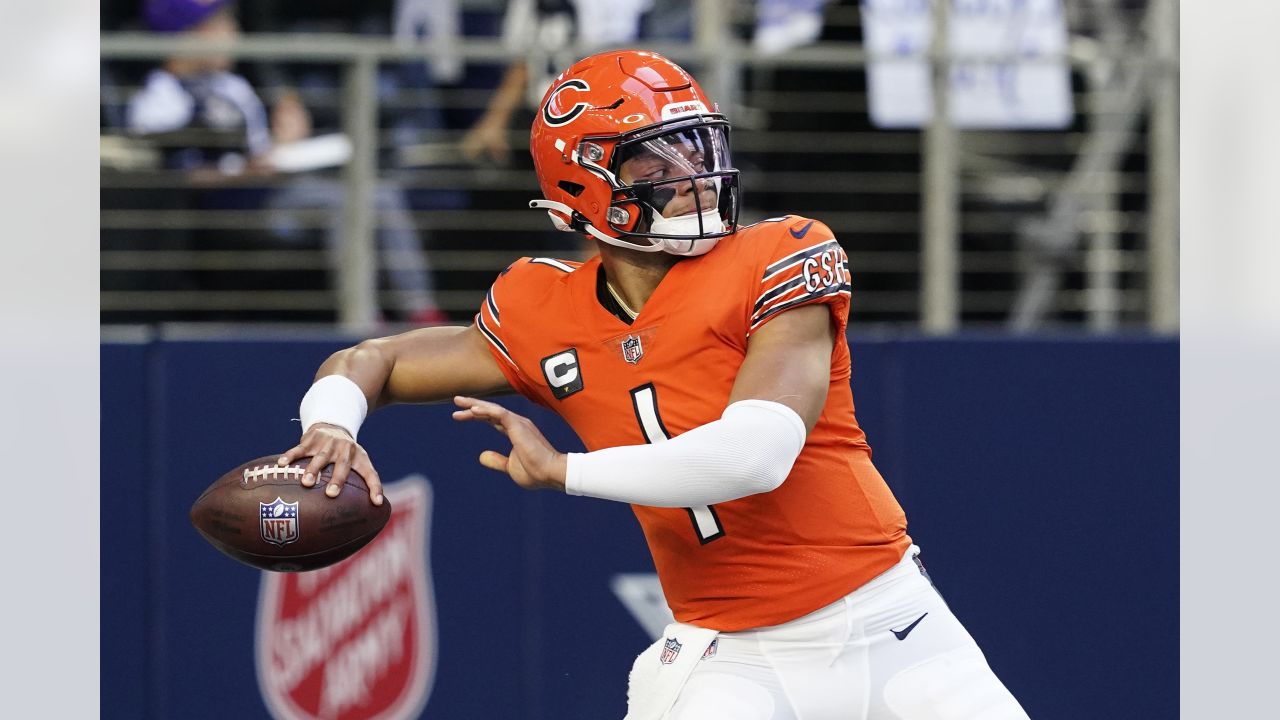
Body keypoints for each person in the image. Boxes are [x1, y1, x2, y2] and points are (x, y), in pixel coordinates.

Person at [278, 50, 1029, 719]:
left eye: (695, 147)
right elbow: (369, 360)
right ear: (581, 189)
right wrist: (332, 425)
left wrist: (564, 471)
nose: (691, 178)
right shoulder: (542, 308)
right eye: (654, 164)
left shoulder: (781, 254)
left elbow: (757, 454)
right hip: (728, 657)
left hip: (889, 623)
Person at [125, 0, 446, 324]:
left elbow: (261, 152)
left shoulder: (233, 87)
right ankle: (364, 317)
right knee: (345, 205)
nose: (233, 34)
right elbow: (173, 179)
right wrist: (243, 173)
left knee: (379, 192)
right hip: (225, 213)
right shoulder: (158, 97)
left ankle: (421, 312)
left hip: (270, 194)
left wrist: (287, 142)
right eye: (218, 26)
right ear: (183, 37)